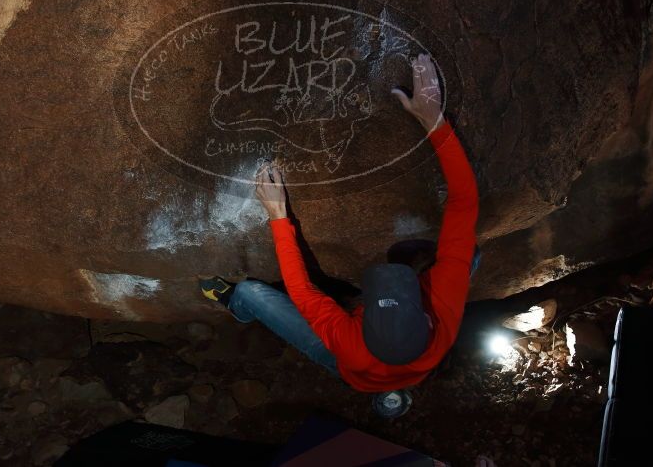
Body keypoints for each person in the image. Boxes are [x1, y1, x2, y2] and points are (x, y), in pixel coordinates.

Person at [200, 53, 479, 418]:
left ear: (362, 322)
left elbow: (302, 291)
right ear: (427, 321)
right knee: (467, 258)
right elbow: (463, 204)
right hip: (402, 360)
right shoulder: (444, 311)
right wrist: (434, 123)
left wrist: (278, 215)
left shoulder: (348, 342)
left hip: (350, 367)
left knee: (250, 293)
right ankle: (393, 397)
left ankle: (238, 309)